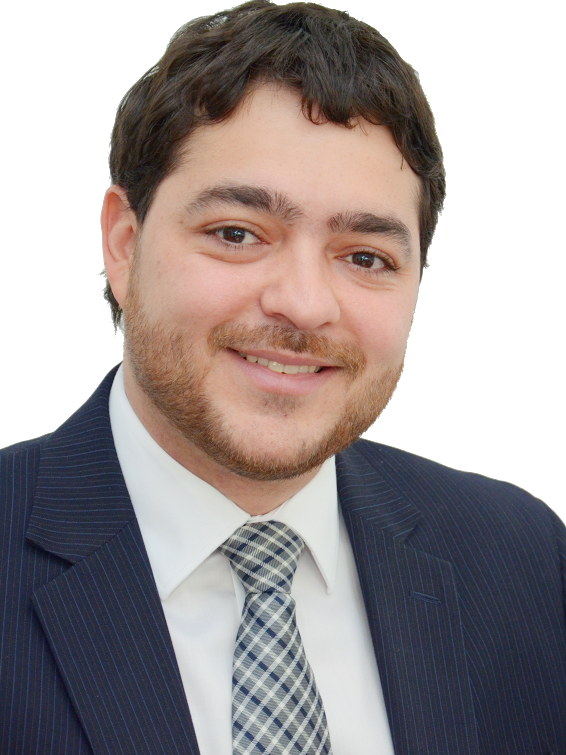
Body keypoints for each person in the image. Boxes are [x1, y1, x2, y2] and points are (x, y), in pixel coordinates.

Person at [1, 2, 564, 754]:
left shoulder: (522, 559)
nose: (303, 304)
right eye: (237, 233)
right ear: (124, 244)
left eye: (364, 256)